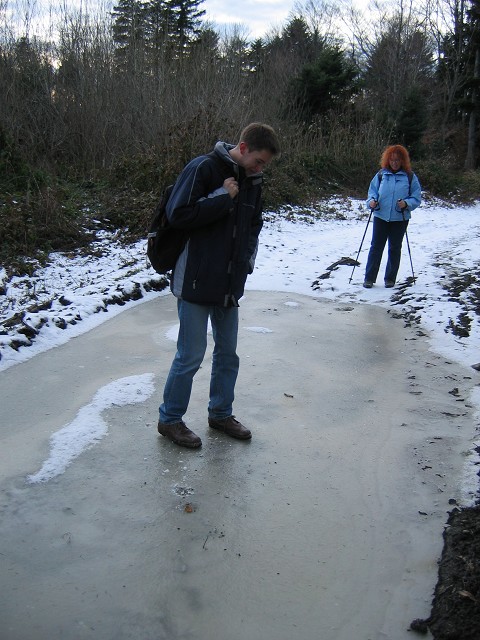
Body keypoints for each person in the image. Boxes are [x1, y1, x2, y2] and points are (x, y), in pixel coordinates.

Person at [157, 123, 281, 449]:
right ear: (243, 147)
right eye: (258, 161)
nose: (260, 168)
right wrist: (222, 197)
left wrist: (246, 264)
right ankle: (170, 419)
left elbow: (253, 227)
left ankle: (221, 414)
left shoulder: (253, 181)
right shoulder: (203, 168)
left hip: (229, 283)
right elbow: (178, 214)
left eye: (264, 164)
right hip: (195, 279)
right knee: (190, 355)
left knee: (228, 354)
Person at [363, 144, 421, 289]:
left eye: (397, 160)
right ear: (387, 160)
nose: (394, 163)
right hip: (381, 216)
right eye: (392, 160)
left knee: (394, 248)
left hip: (400, 218)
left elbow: (416, 198)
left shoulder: (410, 177)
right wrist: (372, 202)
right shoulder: (381, 175)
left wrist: (406, 203)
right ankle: (369, 278)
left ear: (403, 161)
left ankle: (390, 279)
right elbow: (372, 192)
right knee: (376, 247)